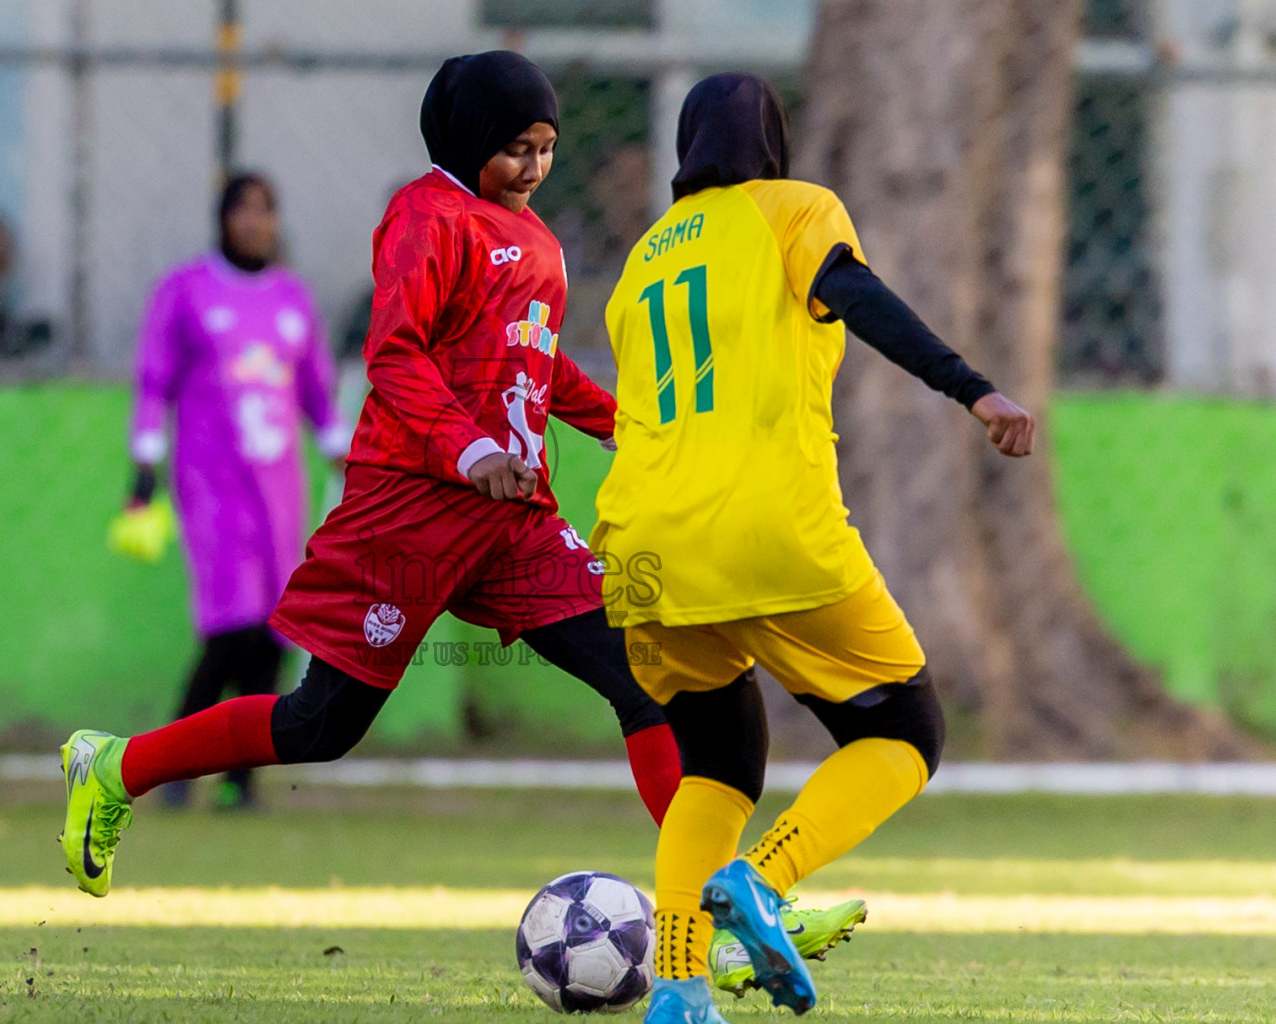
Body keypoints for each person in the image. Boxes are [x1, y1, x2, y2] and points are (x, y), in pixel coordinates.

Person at [56, 52, 863, 964]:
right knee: (321, 725)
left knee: (644, 672)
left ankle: (722, 910)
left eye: (547, 148)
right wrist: (471, 450)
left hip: (515, 520)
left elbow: (536, 362)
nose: (534, 167)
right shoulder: (425, 217)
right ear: (469, 137)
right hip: (410, 512)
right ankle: (116, 766)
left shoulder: (537, 240)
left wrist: (625, 425)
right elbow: (396, 355)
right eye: (517, 148)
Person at [592, 74, 1035, 1022]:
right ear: (771, 145)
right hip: (768, 528)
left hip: (642, 548)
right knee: (906, 732)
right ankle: (762, 879)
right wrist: (973, 389)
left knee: (715, 765)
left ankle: (679, 989)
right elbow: (858, 296)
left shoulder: (640, 263)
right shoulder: (793, 208)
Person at [107, 172, 348, 810]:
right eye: (242, 209)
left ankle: (240, 781)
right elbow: (154, 382)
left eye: (265, 210)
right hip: (210, 483)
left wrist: (341, 451)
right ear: (222, 218)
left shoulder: (292, 299)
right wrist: (145, 465)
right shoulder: (186, 292)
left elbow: (316, 390)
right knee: (230, 626)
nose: (253, 221)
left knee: (273, 627)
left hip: (279, 486)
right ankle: (169, 767)